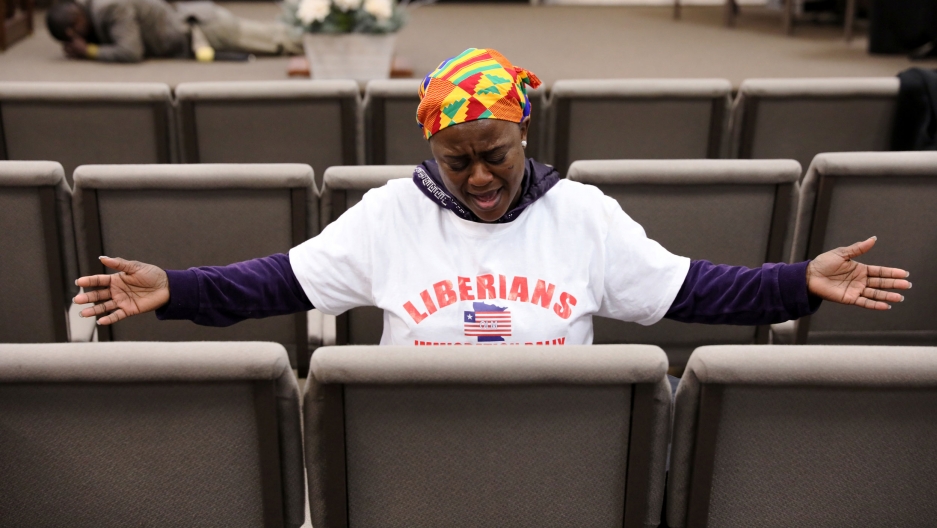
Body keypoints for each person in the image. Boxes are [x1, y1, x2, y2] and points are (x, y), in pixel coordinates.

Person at [74, 48, 911, 349]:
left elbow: (697, 290)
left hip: (559, 449)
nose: (477, 176)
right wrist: (175, 290)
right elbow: (268, 285)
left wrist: (800, 280)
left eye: (495, 155)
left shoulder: (581, 214)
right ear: (429, 148)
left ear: (525, 135)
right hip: (411, 444)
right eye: (457, 159)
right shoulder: (387, 216)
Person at [45, 0, 301, 63]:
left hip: (206, 30)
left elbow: (131, 51)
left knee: (286, 43)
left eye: (74, 35)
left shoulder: (108, 8)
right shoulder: (92, 6)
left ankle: (330, 28)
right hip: (200, 21)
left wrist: (88, 50)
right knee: (279, 35)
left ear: (73, 26)